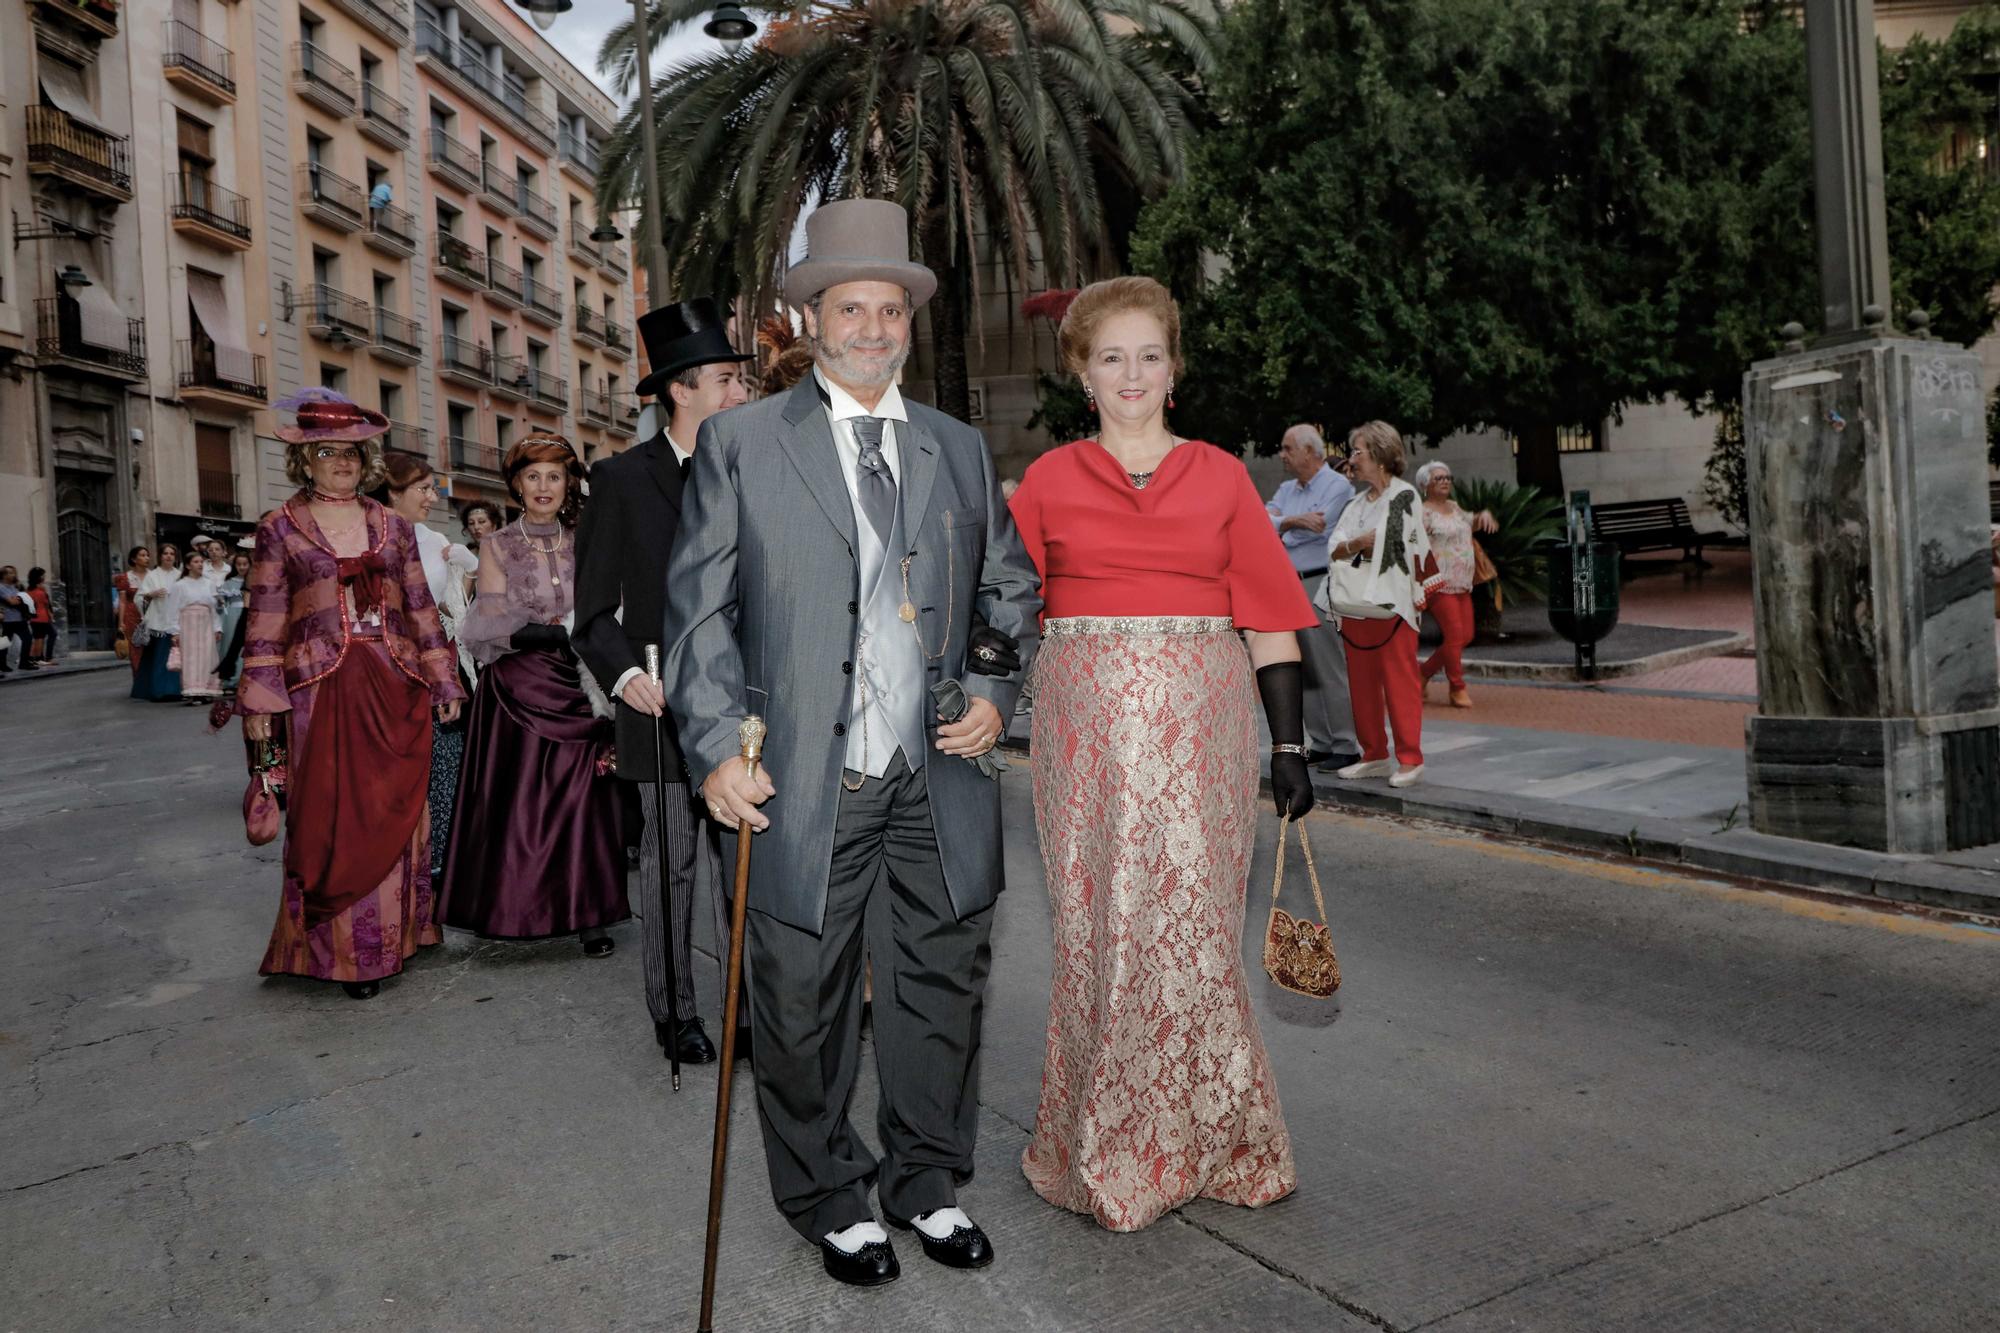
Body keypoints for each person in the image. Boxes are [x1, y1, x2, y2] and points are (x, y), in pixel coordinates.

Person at [663, 199, 1041, 1288]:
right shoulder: (741, 444)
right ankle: (832, 1195)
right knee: (797, 995)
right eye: (849, 307)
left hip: (938, 774)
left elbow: (1006, 587)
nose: (871, 327)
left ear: (907, 323)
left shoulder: (958, 448)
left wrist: (988, 685)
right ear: (809, 319)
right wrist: (712, 749)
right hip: (798, 778)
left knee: (938, 988)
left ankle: (924, 1180)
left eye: (889, 309)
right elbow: (695, 618)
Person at [1006, 276, 1316, 1233]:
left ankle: (1220, 1141)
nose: (1131, 373)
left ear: (1173, 369)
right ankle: (1100, 1145)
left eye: (1149, 354)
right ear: (1082, 374)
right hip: (1082, 739)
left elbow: (1270, 620)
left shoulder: (1223, 475)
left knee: (1193, 929)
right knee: (1104, 928)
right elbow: (1001, 611)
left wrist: (1290, 746)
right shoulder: (1048, 481)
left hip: (1203, 734)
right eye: (1111, 357)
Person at [241, 389, 464, 999]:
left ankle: (399, 938)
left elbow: (421, 609)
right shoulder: (278, 529)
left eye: (351, 451)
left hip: (397, 684)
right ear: (304, 459)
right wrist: (259, 702)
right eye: (326, 451)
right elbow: (265, 618)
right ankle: (342, 953)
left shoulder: (392, 527)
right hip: (318, 690)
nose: (340, 461)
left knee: (397, 810)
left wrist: (444, 679)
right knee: (331, 819)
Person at [575, 297, 750, 1066]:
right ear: (681, 389)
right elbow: (590, 614)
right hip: (656, 702)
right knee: (673, 865)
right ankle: (675, 1012)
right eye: (725, 380)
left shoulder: (757, 470)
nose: (741, 394)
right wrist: (622, 680)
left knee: (742, 868)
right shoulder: (619, 479)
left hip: (746, 705)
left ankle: (748, 1013)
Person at [441, 434, 630, 956]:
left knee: (585, 804)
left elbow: (612, 598)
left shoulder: (587, 535)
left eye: (554, 475)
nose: (544, 486)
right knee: (522, 805)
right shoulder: (497, 543)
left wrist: (583, 634)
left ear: (568, 484)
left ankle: (590, 915)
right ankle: (518, 909)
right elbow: (491, 617)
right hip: (519, 687)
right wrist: (552, 631)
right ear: (517, 486)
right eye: (533, 476)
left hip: (584, 680)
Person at [372, 454, 479, 880]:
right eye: (425, 489)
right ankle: (393, 863)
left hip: (436, 662)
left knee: (443, 759)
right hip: (385, 666)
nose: (433, 497)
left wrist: (470, 566)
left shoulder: (437, 540)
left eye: (433, 488)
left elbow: (454, 605)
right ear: (393, 491)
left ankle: (439, 862)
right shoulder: (367, 537)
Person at [1318, 421, 1441, 787]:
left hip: (1393, 605)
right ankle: (1373, 754)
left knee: (1399, 681)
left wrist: (1353, 545)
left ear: (1381, 455)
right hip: (1356, 604)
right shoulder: (1357, 502)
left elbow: (1392, 544)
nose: (1352, 459)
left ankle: (1410, 759)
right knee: (1362, 684)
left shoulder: (1404, 495)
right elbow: (1335, 546)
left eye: (1358, 451)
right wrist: (1357, 544)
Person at [1267, 424, 1359, 767]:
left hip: (1319, 583)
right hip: (1289, 583)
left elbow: (1321, 525)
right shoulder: (1287, 488)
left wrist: (1283, 525)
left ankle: (1346, 743)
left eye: (1288, 448)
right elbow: (1262, 520)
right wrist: (1292, 522)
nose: (1283, 455)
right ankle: (1320, 740)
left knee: (1328, 665)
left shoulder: (1338, 486)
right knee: (1302, 668)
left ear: (1310, 451)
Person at [1412, 461, 1496, 708]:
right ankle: (1457, 687)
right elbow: (1414, 546)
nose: (1446, 481)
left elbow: (1473, 521)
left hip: (1463, 582)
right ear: (1425, 484)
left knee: (1465, 636)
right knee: (1455, 635)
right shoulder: (1422, 512)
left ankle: (1424, 672)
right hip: (1438, 582)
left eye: (1448, 477)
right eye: (1439, 478)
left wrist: (1484, 516)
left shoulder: (1455, 508)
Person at [163, 548, 222, 700]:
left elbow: (213, 608)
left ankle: (207, 689)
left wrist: (217, 627)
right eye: (196, 562)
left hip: (205, 622)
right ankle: (193, 690)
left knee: (207, 655)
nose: (200, 564)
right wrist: (175, 631)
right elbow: (173, 609)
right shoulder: (180, 585)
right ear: (188, 566)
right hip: (188, 623)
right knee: (191, 656)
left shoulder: (209, 583)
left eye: (201, 562)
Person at [132, 546, 184, 700]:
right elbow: (138, 598)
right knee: (159, 656)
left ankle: (177, 690)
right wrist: (151, 594)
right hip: (158, 621)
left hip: (177, 620)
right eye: (165, 553)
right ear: (160, 556)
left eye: (172, 554)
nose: (168, 556)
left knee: (177, 656)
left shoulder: (180, 575)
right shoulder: (152, 575)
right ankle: (159, 690)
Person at [216, 548, 253, 690]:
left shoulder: (254, 581)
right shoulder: (229, 582)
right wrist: (220, 602)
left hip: (249, 614)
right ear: (235, 566)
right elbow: (220, 605)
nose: (242, 567)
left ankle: (245, 679)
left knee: (247, 647)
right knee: (231, 644)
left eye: (245, 564)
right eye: (239, 564)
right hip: (231, 615)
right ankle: (230, 680)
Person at [116, 547, 150, 676]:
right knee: (136, 648)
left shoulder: (153, 575)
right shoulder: (125, 577)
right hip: (132, 616)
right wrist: (121, 623)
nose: (146, 558)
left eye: (147, 555)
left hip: (150, 614)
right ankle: (138, 678)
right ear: (134, 559)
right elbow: (122, 601)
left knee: (151, 648)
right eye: (142, 555)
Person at [0, 566, 29, 673]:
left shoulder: (16, 586)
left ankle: (24, 663)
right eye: (11, 573)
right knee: (4, 643)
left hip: (20, 618)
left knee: (28, 639)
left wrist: (18, 599)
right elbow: (13, 602)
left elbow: (24, 599)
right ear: (4, 575)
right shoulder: (1, 587)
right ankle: (2, 664)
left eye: (14, 573)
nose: (14, 575)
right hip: (8, 619)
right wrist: (17, 599)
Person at [24, 568, 55, 667]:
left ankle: (34, 658)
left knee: (38, 638)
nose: (44, 577)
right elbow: (46, 603)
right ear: (39, 577)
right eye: (43, 575)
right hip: (41, 617)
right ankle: (38, 658)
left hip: (37, 617)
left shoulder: (29, 589)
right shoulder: (40, 589)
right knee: (40, 638)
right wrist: (50, 613)